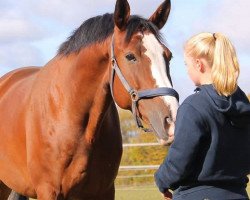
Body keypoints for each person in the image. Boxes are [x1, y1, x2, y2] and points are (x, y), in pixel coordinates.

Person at [155, 32, 250, 200]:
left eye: (186, 64)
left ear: (199, 64)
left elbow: (179, 161)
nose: (187, 70)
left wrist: (161, 179)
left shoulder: (194, 106)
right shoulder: (244, 107)